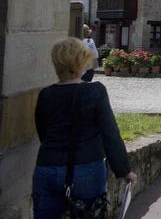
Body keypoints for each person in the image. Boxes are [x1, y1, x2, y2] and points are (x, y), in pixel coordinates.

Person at [33, 37, 137, 218]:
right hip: (86, 168)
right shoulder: (95, 91)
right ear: (82, 61)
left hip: (47, 168)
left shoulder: (46, 94)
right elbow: (110, 133)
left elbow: (43, 132)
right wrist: (123, 170)